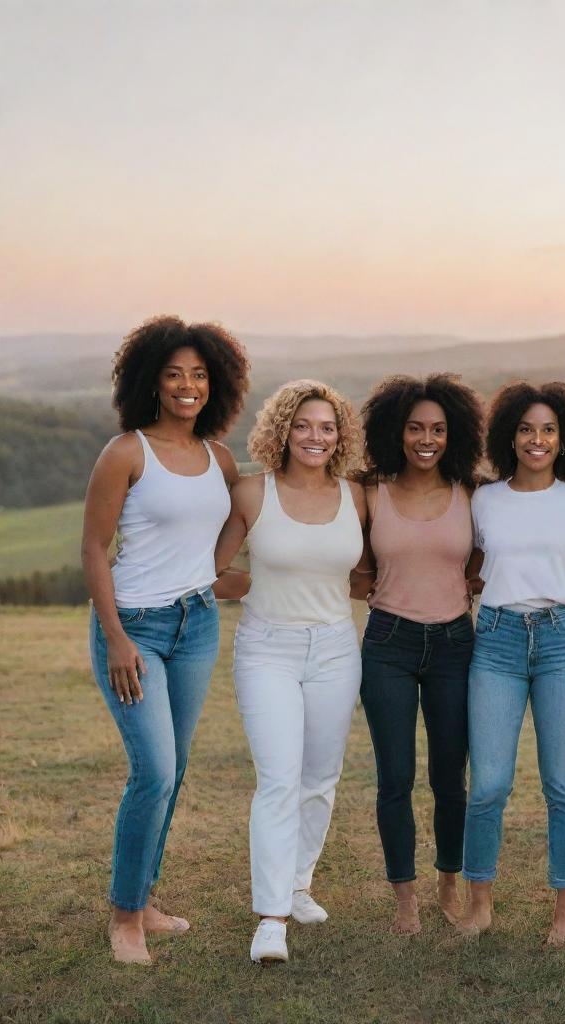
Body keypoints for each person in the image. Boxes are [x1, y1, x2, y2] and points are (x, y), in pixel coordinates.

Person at [81, 315, 249, 964]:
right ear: (151, 380)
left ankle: (144, 898)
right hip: (134, 629)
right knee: (152, 769)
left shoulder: (221, 460)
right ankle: (125, 919)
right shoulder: (126, 452)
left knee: (174, 771)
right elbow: (95, 548)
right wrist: (117, 638)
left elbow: (224, 541)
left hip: (195, 625)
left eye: (199, 375)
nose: (187, 386)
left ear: (217, 384)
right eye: (175, 374)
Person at [214, 380, 367, 964]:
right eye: (303, 425)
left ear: (340, 435)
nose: (315, 436)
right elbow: (214, 569)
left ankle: (300, 884)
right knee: (279, 779)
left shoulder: (355, 497)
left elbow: (366, 573)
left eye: (327, 427)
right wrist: (264, 586)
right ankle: (270, 917)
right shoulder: (253, 494)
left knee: (320, 778)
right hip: (267, 649)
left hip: (334, 648)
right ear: (282, 430)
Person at [458, 381, 565, 945]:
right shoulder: (484, 499)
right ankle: (480, 904)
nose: (536, 439)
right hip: (497, 639)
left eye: (547, 430)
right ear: (507, 436)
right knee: (488, 783)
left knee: (562, 784)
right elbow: (467, 565)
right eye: (525, 429)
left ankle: (563, 914)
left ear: (564, 439)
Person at [352, 373, 484, 935]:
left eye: (437, 429)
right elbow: (357, 569)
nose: (426, 439)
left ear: (454, 434)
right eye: (415, 428)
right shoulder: (370, 491)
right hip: (388, 644)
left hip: (456, 644)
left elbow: (480, 563)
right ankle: (405, 897)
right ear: (395, 431)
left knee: (451, 778)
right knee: (395, 776)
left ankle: (448, 883)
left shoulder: (472, 493)